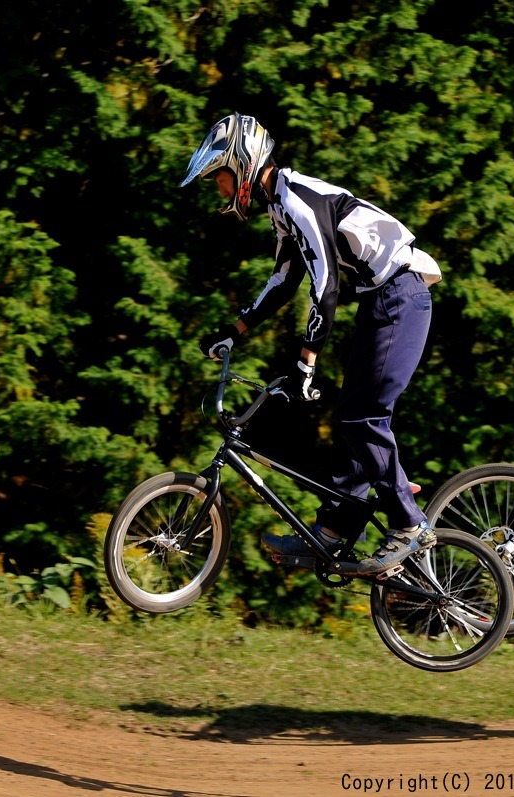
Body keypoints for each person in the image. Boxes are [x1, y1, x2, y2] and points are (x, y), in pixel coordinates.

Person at [181, 112, 442, 575]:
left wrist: (308, 358)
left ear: (241, 165)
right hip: (382, 302)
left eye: (219, 177)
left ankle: (409, 525)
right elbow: (284, 279)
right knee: (350, 418)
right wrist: (235, 329)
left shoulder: (297, 198)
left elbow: (325, 281)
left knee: (363, 418)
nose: (220, 189)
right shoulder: (280, 206)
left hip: (400, 297)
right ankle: (339, 529)